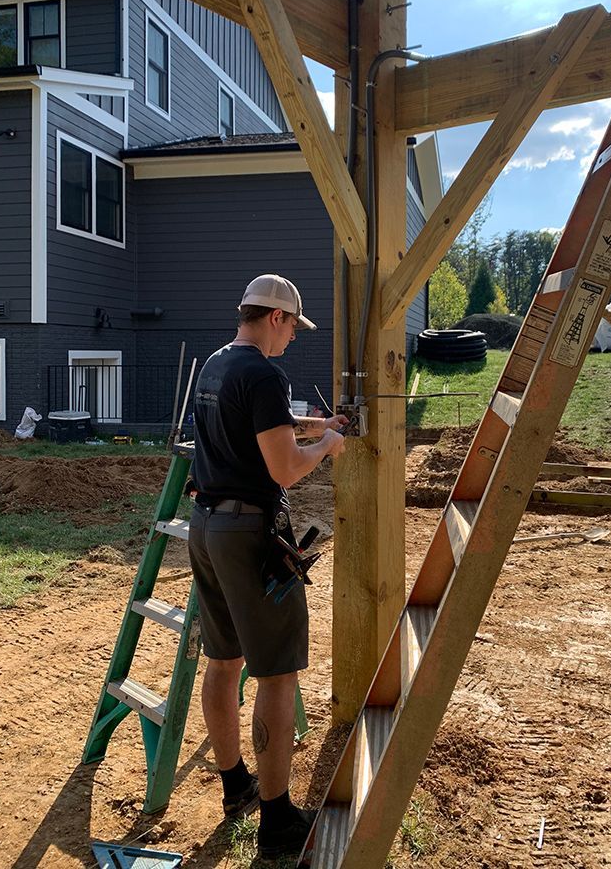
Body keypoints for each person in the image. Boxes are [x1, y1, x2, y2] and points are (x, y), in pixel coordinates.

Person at [188, 273, 346, 859]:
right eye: (292, 329)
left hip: (206, 527)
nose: (292, 342)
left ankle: (237, 786)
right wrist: (327, 448)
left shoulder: (215, 364)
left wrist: (317, 427)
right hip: (248, 534)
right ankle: (278, 819)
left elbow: (254, 429)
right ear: (276, 318)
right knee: (277, 673)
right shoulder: (263, 372)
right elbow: (282, 469)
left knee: (223, 660)